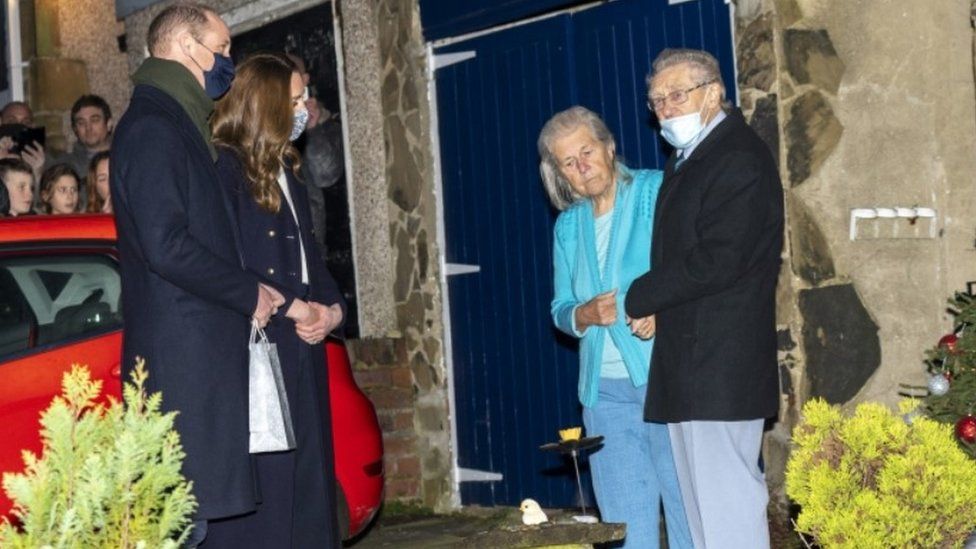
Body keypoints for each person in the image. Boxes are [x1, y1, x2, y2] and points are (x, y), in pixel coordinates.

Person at [109, 4, 324, 546]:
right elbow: (167, 244)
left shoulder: (179, 120)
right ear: (186, 46)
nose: (230, 60)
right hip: (187, 369)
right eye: (224, 47)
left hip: (204, 364)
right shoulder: (154, 125)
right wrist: (248, 289)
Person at [624, 48, 784, 549]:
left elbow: (721, 258)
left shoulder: (737, 157)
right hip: (690, 365)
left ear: (714, 92)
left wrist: (641, 292)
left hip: (721, 366)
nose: (666, 109)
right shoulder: (687, 160)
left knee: (728, 511)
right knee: (699, 521)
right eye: (656, 101)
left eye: (677, 95)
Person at [208, 51, 345, 549]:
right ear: (264, 106)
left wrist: (332, 311)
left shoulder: (289, 167)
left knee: (312, 496)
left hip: (306, 346)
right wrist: (294, 308)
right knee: (272, 499)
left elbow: (314, 260)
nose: (305, 107)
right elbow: (230, 265)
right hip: (262, 351)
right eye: (294, 98)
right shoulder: (224, 170)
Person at [543, 106, 692, 549]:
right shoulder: (568, 226)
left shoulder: (656, 190)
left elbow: (694, 267)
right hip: (604, 395)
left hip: (667, 380)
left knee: (688, 509)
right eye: (568, 162)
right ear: (559, 174)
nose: (581, 166)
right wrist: (583, 314)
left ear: (609, 147)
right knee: (626, 526)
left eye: (587, 151)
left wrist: (663, 309)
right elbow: (559, 309)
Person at [285, 53, 344, 258]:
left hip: (310, 249)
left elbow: (326, 175)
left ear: (305, 80)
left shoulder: (326, 124)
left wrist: (312, 129)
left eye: (292, 71)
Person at [60, 95, 114, 206]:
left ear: (109, 124)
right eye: (81, 123)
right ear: (75, 129)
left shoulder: (126, 159)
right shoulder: (64, 166)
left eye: (94, 120)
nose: (88, 128)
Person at [0, 101, 47, 185]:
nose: (19, 126)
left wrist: (38, 174)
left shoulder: (44, 158)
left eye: (26, 122)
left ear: (32, 126)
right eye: (11, 121)